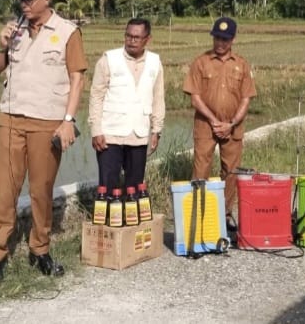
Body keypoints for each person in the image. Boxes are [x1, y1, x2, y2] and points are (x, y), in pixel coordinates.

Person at [0, 0, 87, 282]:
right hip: (12, 120)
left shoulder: (67, 32)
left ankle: (39, 249)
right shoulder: (14, 30)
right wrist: (2, 45)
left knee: (41, 190)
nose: (24, 5)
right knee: (5, 190)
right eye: (20, 0)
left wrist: (68, 122)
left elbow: (77, 78)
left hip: (47, 123)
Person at [182, 17, 256, 229]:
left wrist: (231, 124)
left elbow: (246, 98)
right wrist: (215, 121)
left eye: (225, 39)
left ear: (233, 39)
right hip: (206, 125)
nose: (220, 43)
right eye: (217, 38)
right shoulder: (200, 62)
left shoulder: (241, 65)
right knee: (201, 169)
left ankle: (223, 216)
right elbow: (195, 97)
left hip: (233, 127)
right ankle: (198, 215)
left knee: (230, 171)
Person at [88, 18, 165, 192]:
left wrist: (156, 130)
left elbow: (158, 98)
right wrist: (96, 130)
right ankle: (108, 217)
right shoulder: (109, 59)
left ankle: (132, 218)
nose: (132, 41)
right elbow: (96, 96)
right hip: (110, 134)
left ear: (147, 39)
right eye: (128, 36)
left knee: (135, 186)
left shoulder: (155, 62)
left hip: (139, 133)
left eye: (137, 37)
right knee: (107, 185)